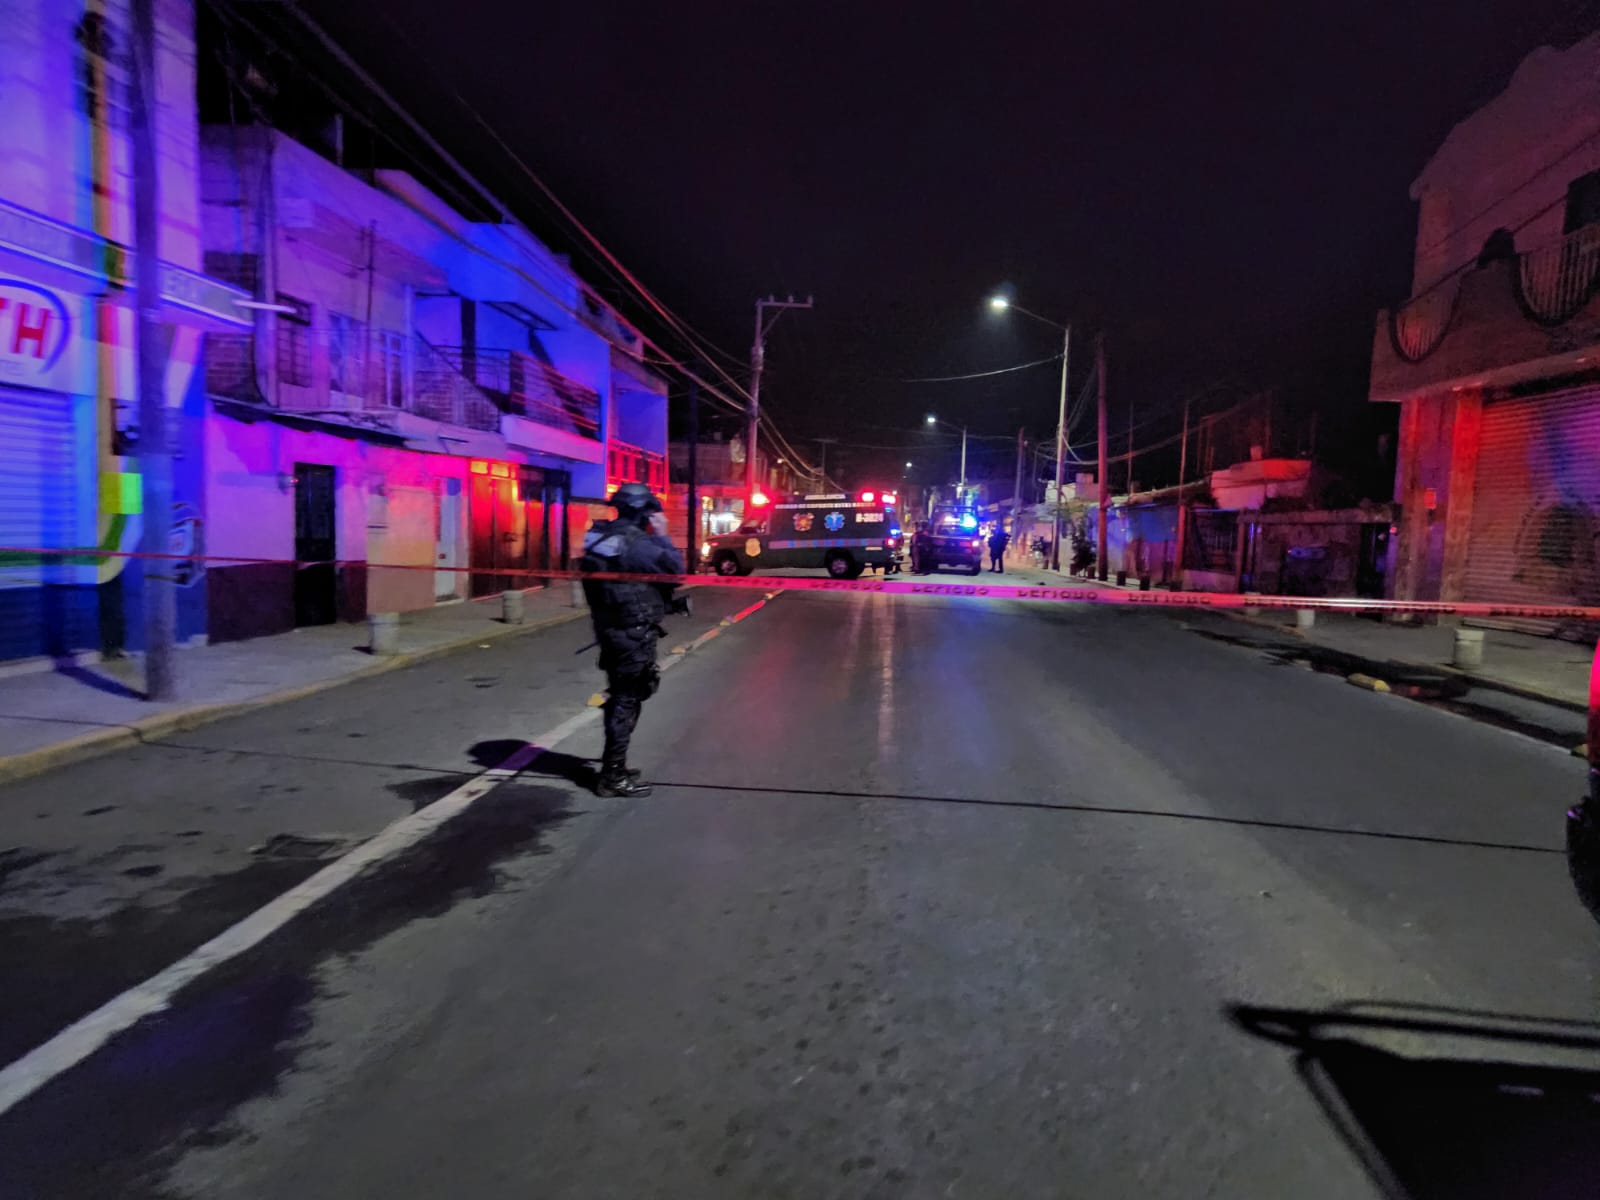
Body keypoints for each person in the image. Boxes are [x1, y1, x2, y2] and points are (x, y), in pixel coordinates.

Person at [578, 483, 685, 798]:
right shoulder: (635, 545)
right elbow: (675, 571)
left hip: (611, 628)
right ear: (644, 512)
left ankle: (615, 767)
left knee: (622, 695)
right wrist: (663, 533)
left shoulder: (601, 538)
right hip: (632, 632)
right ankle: (612, 776)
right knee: (628, 699)